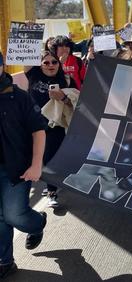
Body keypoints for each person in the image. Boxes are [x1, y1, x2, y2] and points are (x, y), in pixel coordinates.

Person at [0, 51, 48, 278]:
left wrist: (37, 165)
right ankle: (5, 261)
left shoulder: (19, 97)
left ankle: (37, 223)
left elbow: (39, 130)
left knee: (14, 215)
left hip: (16, 168)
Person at [25, 51, 78, 208]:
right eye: (46, 62)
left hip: (54, 125)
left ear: (59, 64)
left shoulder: (67, 80)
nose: (50, 65)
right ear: (39, 65)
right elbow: (26, 54)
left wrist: (63, 97)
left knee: (50, 157)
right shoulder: (33, 74)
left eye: (54, 62)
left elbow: (75, 103)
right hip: (32, 124)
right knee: (33, 157)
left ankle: (51, 191)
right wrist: (29, 33)